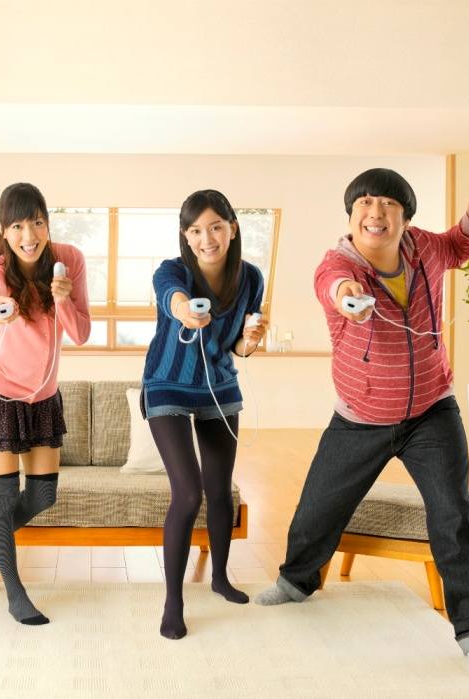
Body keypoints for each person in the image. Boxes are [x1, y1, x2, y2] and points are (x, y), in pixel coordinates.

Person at [254, 168, 469, 681]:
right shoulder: (338, 265)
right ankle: (295, 582)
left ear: (405, 218)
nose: (376, 213)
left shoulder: (425, 248)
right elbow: (333, 285)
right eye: (365, 203)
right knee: (319, 506)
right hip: (360, 416)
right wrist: (347, 298)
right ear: (351, 216)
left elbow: (459, 245)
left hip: (432, 411)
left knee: (454, 513)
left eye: (389, 204)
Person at [0, 182, 91, 625]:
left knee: (42, 495)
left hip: (43, 397)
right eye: (16, 226)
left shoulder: (70, 260)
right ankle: (16, 594)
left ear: (47, 222)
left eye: (36, 222)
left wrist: (63, 299)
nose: (28, 235)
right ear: (4, 229)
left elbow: (81, 333)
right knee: (3, 495)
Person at [141, 189, 268, 640]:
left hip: (219, 386)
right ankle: (173, 603)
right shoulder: (172, 270)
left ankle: (219, 578)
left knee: (220, 491)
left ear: (232, 228)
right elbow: (171, 298)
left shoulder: (251, 278)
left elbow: (239, 348)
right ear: (185, 235)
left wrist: (253, 339)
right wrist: (184, 311)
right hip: (167, 385)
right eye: (195, 230)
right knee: (189, 493)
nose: (206, 238)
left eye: (215, 227)